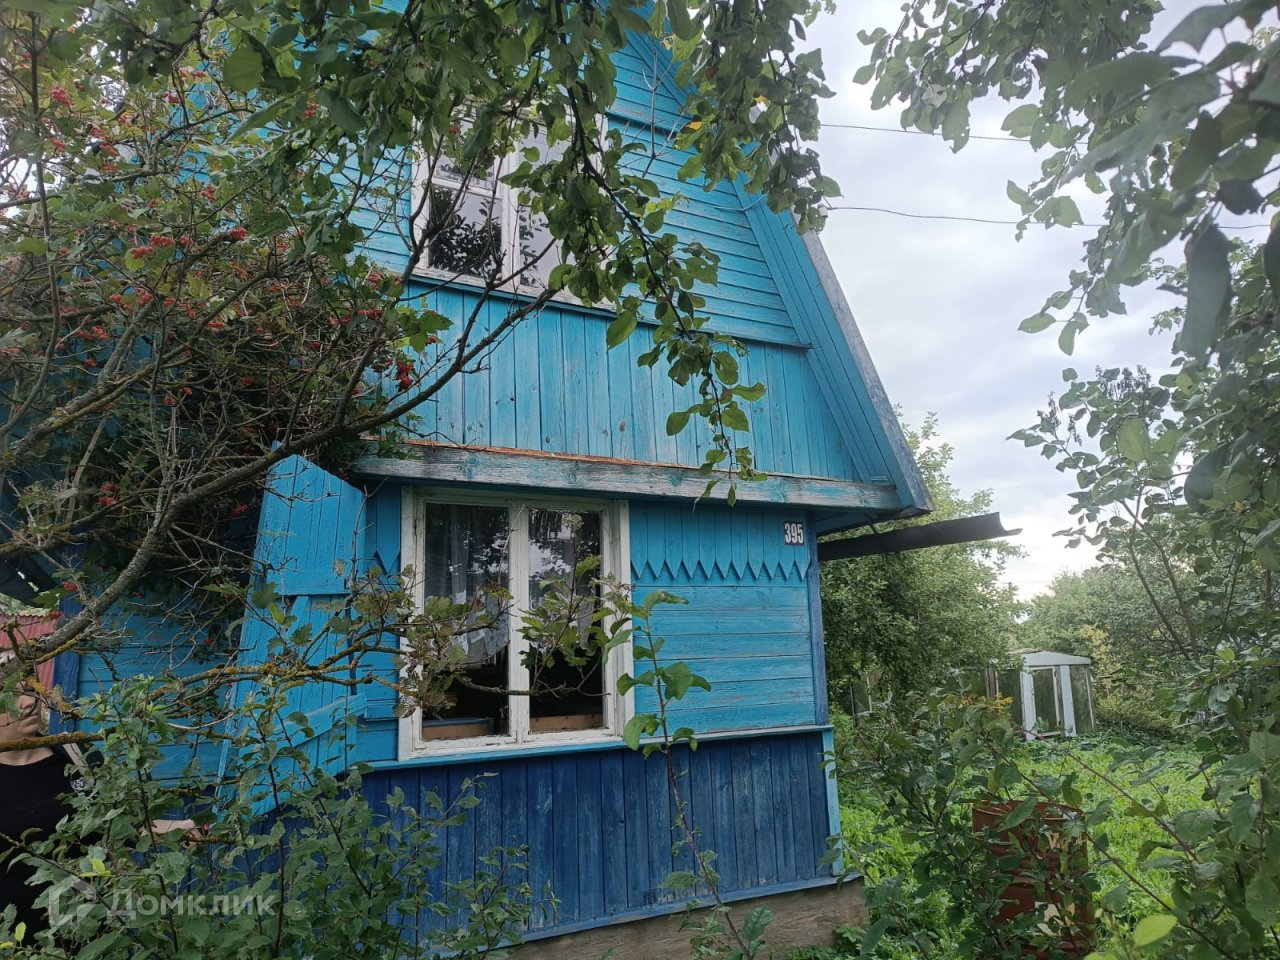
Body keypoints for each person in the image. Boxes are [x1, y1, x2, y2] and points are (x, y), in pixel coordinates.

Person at [0, 652, 195, 940]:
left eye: (31, 688)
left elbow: (122, 827)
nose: (28, 702)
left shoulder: (77, 757)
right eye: (11, 695)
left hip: (92, 937)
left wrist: (177, 829)